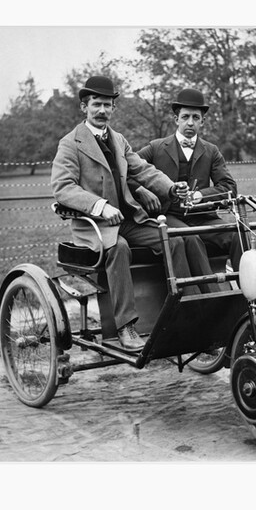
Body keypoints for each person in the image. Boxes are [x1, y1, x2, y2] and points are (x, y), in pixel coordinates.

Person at [51, 76, 217, 352]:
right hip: (95, 225)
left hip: (128, 219)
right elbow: (63, 188)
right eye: (96, 104)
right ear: (84, 107)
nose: (102, 110)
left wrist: (171, 188)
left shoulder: (118, 140)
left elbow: (142, 170)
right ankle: (126, 326)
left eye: (107, 105)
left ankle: (189, 317)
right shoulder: (70, 144)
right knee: (120, 249)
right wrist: (99, 206)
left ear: (113, 108)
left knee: (173, 240)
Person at [129, 88, 242, 274]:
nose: (190, 123)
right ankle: (208, 297)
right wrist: (142, 190)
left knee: (236, 234)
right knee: (192, 239)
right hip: (168, 215)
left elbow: (229, 187)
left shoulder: (211, 151)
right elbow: (126, 170)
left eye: (196, 118)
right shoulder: (156, 148)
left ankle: (247, 296)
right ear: (176, 119)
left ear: (203, 121)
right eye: (186, 117)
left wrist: (200, 195)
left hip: (204, 217)